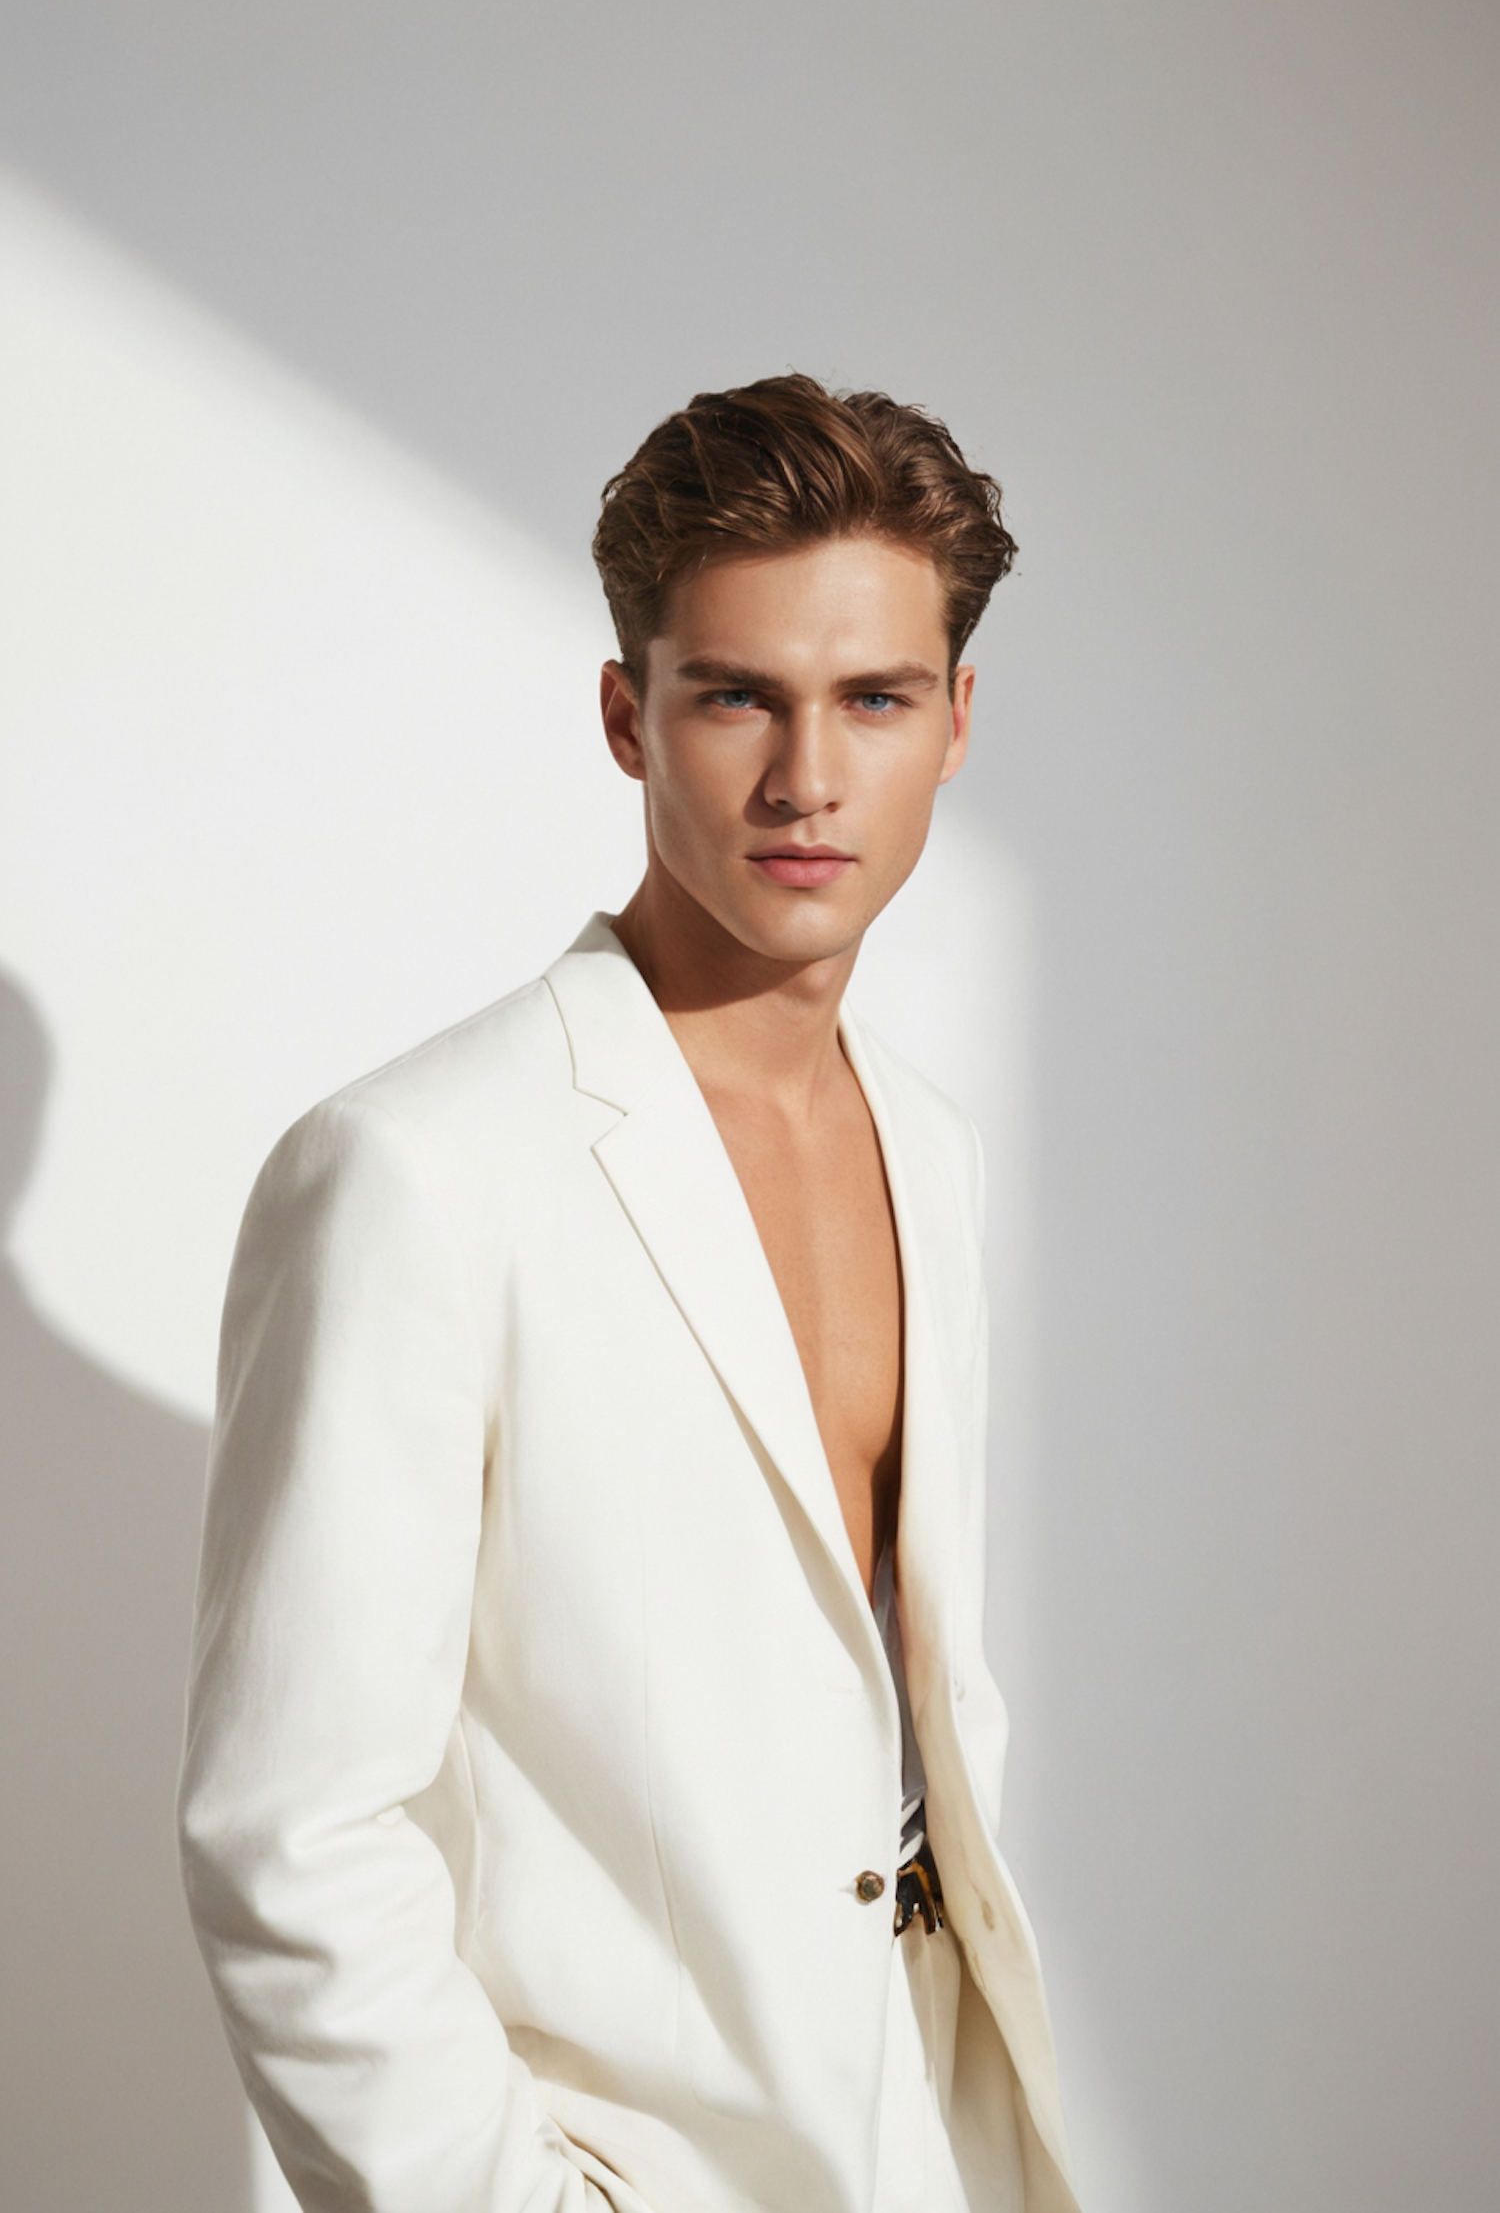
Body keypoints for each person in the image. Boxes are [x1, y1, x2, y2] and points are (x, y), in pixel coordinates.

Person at [179, 374, 1079, 2213]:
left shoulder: (932, 1146)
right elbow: (293, 1836)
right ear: (626, 715)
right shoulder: (417, 1172)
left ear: (957, 721)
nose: (808, 777)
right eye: (738, 694)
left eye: (875, 698)